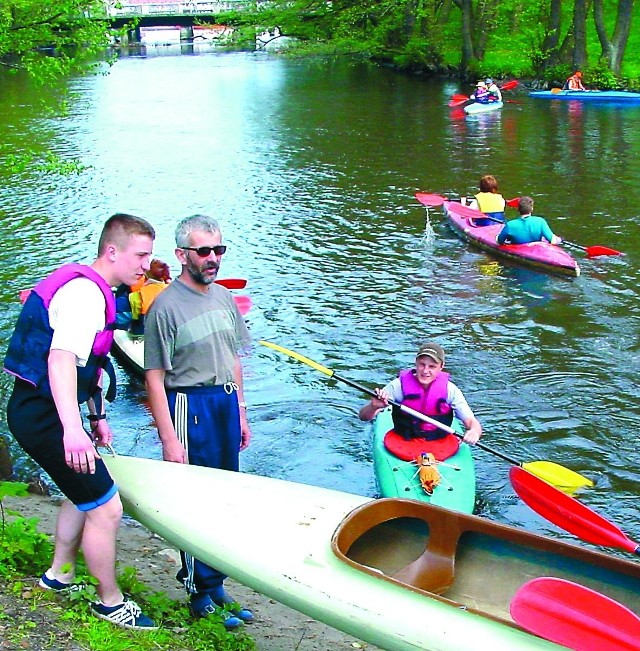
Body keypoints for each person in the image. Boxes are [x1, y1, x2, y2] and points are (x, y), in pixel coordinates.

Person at [3, 214, 157, 630]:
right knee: (107, 508)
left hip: (46, 412)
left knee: (79, 490)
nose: (146, 265)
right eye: (140, 255)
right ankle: (109, 602)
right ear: (113, 251)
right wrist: (73, 431)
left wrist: (96, 417)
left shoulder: (96, 289)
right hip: (42, 415)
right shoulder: (85, 295)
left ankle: (59, 575)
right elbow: (60, 361)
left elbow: (90, 365)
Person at [144, 214, 253, 631]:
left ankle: (216, 582)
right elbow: (154, 377)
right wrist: (169, 439)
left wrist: (241, 411)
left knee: (225, 497)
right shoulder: (165, 307)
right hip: (189, 406)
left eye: (218, 250)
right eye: (204, 251)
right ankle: (197, 590)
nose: (213, 259)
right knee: (196, 500)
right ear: (181, 255)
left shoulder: (224, 298)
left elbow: (234, 359)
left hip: (224, 403)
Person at [358, 342, 482, 446]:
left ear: (441, 367)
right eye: (422, 364)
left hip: (440, 444)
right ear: (416, 362)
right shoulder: (397, 386)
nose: (425, 371)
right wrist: (373, 406)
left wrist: (474, 432)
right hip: (403, 442)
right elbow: (363, 417)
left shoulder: (450, 390)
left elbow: (472, 422)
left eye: (432, 366)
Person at [497, 196, 562, 245]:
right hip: (536, 250)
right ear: (532, 209)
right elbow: (553, 241)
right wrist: (559, 239)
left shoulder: (510, 225)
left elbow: (499, 241)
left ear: (518, 209)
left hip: (518, 250)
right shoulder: (540, 221)